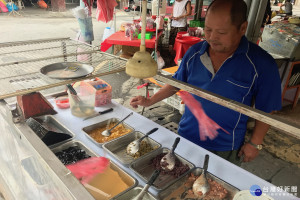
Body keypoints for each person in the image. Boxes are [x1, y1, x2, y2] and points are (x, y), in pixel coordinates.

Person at [130, 0, 282, 166]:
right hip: (186, 136)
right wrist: (151, 100)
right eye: (208, 30)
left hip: (225, 146)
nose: (212, 37)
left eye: (221, 32)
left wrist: (255, 143)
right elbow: (177, 83)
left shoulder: (261, 64)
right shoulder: (195, 52)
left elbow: (267, 108)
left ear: (242, 28)